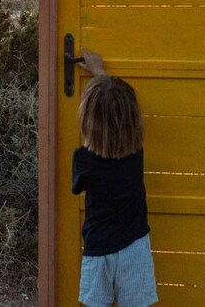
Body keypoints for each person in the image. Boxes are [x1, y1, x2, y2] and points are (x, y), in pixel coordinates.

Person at [72, 49, 158, 307]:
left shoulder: (83, 159)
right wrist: (100, 73)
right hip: (135, 248)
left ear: (88, 122)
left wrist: (97, 75)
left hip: (99, 250)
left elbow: (77, 188)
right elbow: (118, 115)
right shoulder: (136, 154)